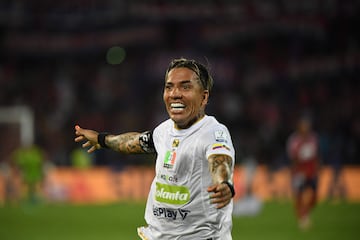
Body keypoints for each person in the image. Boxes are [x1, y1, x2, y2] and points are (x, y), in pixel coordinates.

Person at [74, 58, 236, 239]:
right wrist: (101, 139)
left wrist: (224, 184)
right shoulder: (163, 131)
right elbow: (133, 142)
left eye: (185, 87)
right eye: (169, 87)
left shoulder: (213, 132)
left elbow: (220, 159)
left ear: (204, 97)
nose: (175, 94)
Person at [287, 116, 320, 230]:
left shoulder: (313, 139)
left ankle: (306, 213)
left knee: (315, 197)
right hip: (300, 172)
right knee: (299, 196)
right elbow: (293, 158)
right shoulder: (294, 140)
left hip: (311, 172)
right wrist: (296, 173)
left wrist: (317, 169)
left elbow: (316, 155)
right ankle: (302, 218)